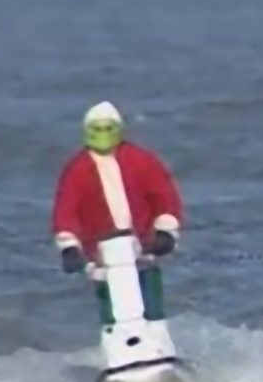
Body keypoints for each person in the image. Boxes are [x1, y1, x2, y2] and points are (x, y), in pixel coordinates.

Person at [50, 101, 184, 325]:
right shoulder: (77, 169)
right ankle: (114, 339)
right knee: (112, 307)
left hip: (143, 249)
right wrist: (69, 247)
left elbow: (164, 196)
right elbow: (66, 211)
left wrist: (166, 232)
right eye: (97, 129)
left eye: (108, 128)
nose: (103, 135)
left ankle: (156, 335)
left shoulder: (141, 160)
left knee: (149, 299)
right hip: (102, 255)